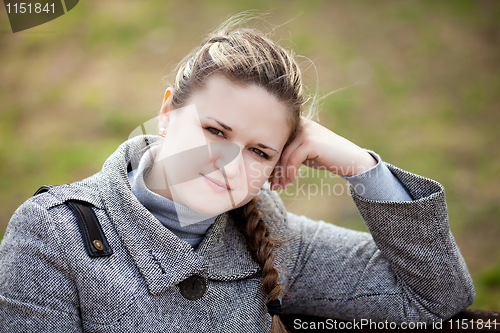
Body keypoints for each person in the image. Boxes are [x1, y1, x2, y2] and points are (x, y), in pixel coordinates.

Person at [0, 15, 474, 333]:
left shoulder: (273, 236)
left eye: (259, 151)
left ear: (276, 165)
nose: (227, 162)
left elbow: (437, 297)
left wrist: (360, 165)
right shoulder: (52, 234)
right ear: (167, 112)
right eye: (214, 130)